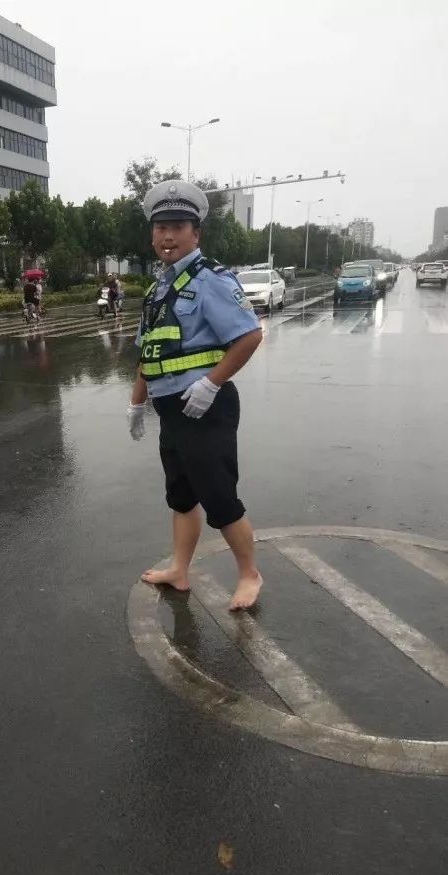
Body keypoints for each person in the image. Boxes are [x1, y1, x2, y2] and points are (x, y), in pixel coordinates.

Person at [127, 180, 264, 611]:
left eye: (179, 226)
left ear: (196, 233)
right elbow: (148, 353)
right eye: (161, 227)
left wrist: (212, 383)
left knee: (220, 496)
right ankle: (180, 570)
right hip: (170, 408)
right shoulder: (156, 291)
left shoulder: (212, 280)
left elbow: (249, 335)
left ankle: (250, 574)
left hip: (207, 405)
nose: (168, 235)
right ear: (152, 234)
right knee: (181, 494)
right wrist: (137, 401)